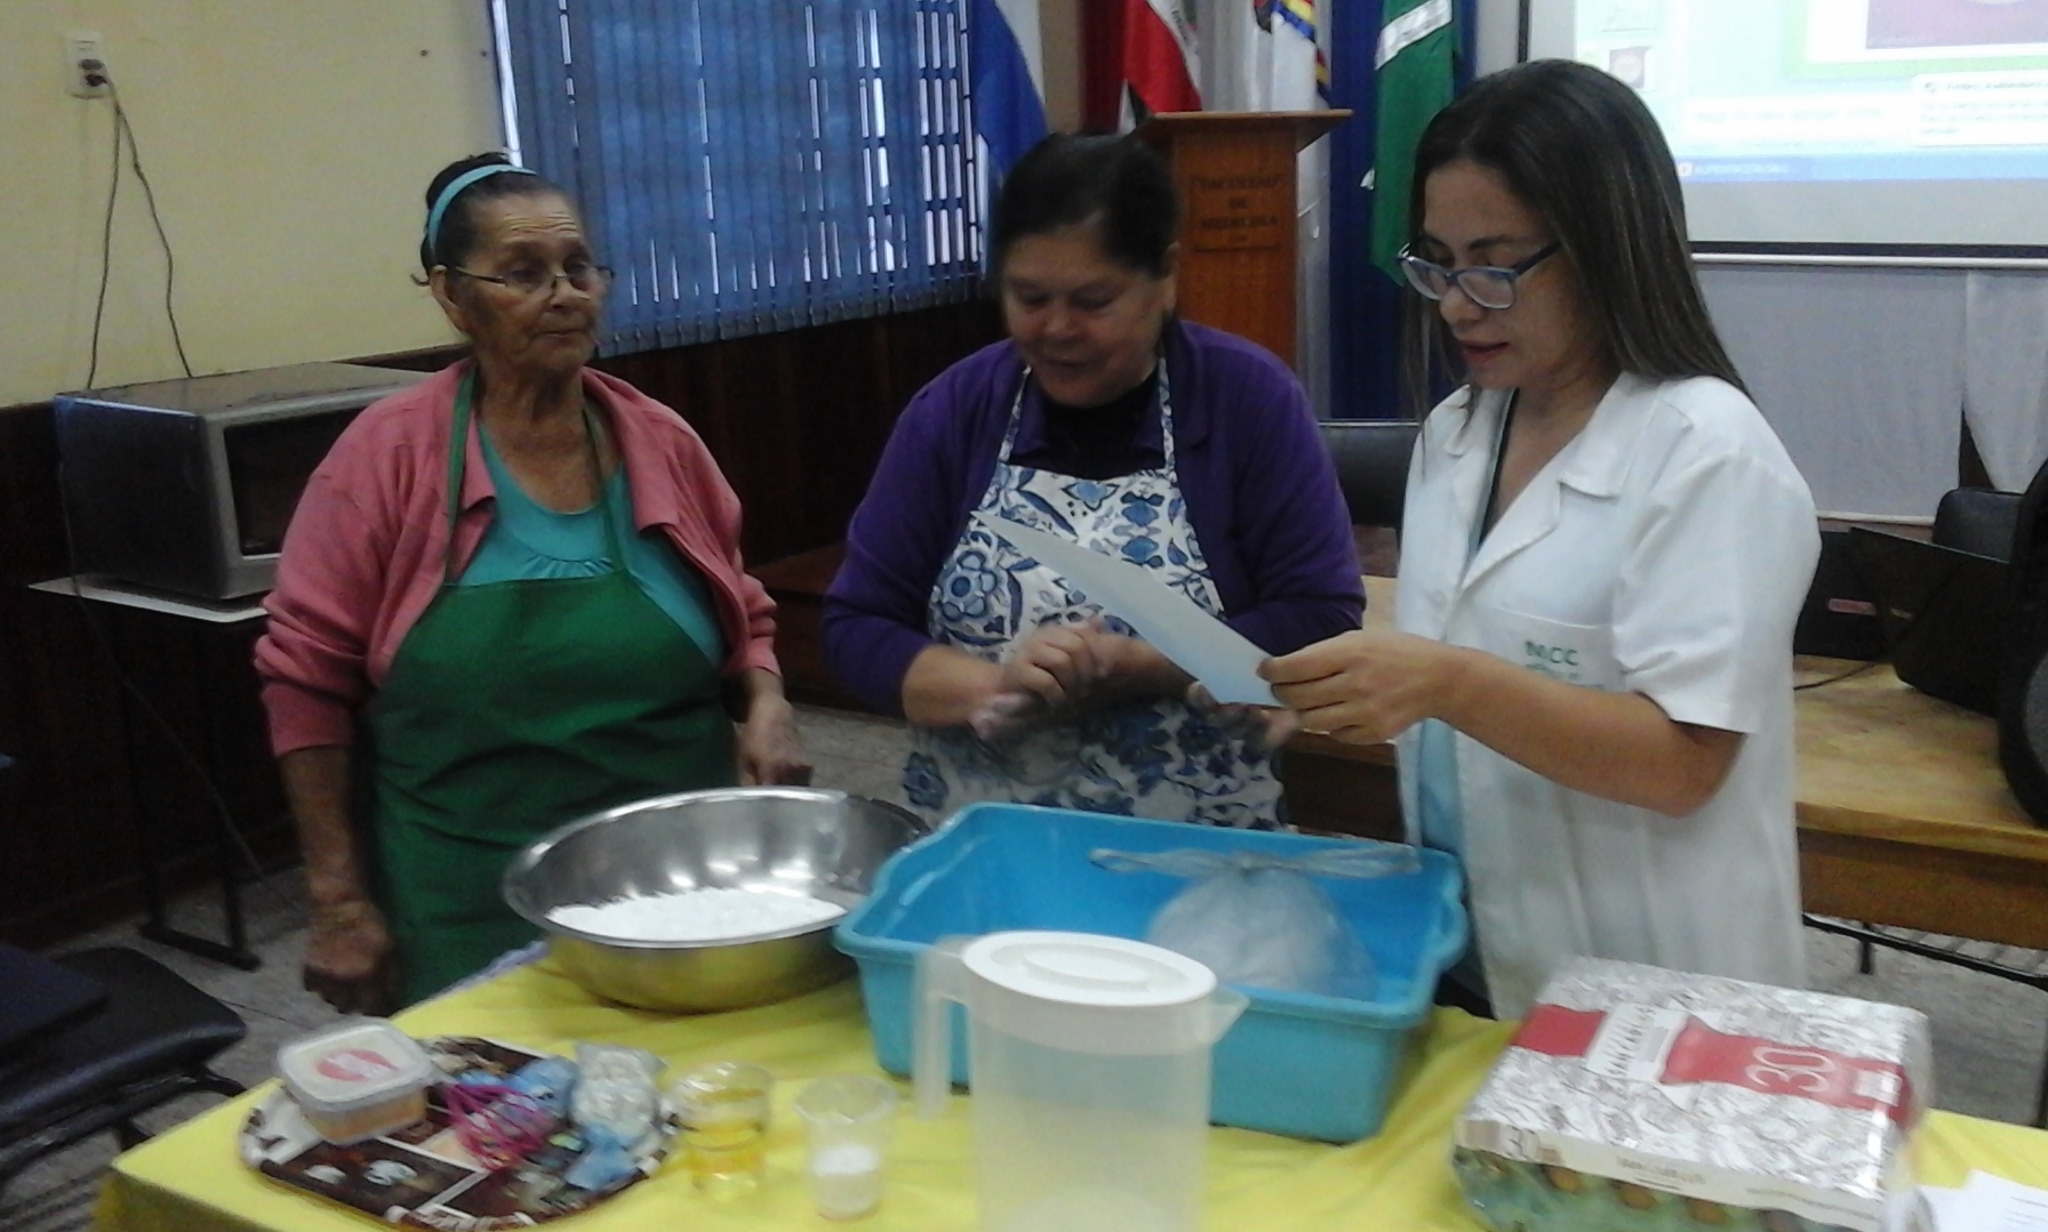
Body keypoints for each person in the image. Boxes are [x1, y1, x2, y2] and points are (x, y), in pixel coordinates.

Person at [1264, 60, 1820, 1018]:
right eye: (1437, 261)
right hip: (1474, 947)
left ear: (1606, 249)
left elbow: (1682, 763)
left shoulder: (1707, 452)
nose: (1456, 303)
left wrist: (1446, 682)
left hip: (1655, 988)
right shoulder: (1460, 431)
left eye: (1494, 265)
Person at [256, 153, 810, 1013]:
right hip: (465, 894)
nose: (564, 294)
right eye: (523, 273)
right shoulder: (386, 457)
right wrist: (338, 904)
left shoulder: (660, 441)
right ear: (453, 296)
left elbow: (740, 607)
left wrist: (767, 702)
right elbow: (305, 685)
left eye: (578, 267)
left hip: (678, 884)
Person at [824, 133, 1363, 829]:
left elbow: (1319, 613)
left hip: (1200, 846)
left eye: (1093, 300)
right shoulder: (956, 411)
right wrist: (996, 688)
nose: (1056, 328)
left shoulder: (1248, 400)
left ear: (1165, 277)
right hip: (989, 840)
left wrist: (1149, 664)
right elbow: (857, 626)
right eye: (1029, 297)